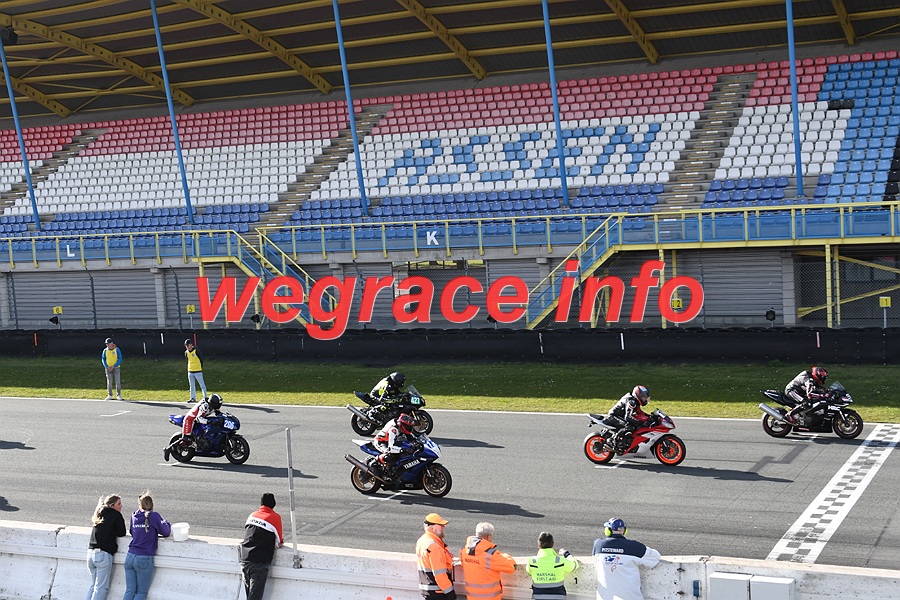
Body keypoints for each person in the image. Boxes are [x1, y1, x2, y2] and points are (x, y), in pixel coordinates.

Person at [592, 518, 661, 600]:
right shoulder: (634, 547)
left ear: (608, 530)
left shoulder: (598, 545)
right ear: (624, 531)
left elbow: (595, 561)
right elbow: (655, 557)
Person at [123, 491, 171, 600]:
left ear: (139, 505)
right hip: (144, 557)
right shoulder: (154, 516)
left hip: (130, 555)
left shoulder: (134, 515)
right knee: (141, 592)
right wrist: (166, 523)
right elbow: (166, 532)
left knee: (130, 590)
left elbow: (132, 531)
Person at [239, 493, 284, 600]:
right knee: (255, 597)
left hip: (245, 558)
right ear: (273, 504)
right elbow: (279, 541)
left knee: (250, 596)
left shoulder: (252, 515)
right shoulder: (274, 517)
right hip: (259, 560)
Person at [459, 522, 517, 600]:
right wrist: (506, 556)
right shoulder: (491, 555)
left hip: (471, 597)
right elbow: (512, 568)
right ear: (489, 537)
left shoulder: (464, 551)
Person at [85, 494, 127, 600]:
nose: (121, 506)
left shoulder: (99, 513)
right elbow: (122, 532)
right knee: (101, 588)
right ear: (112, 506)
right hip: (103, 555)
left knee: (93, 586)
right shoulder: (116, 515)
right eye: (119, 504)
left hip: (90, 553)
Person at [526, 532, 580, 600]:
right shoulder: (560, 561)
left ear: (538, 545)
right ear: (552, 544)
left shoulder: (532, 561)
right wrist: (567, 554)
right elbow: (574, 566)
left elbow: (529, 571)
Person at [415, 513, 456, 600]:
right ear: (432, 528)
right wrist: (450, 592)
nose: (443, 527)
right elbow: (439, 574)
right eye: (440, 525)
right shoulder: (434, 547)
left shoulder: (422, 541)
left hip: (427, 588)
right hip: (438, 592)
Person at [371, 412, 417, 480]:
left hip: (391, 440)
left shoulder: (399, 424)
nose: (410, 428)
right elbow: (391, 448)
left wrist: (417, 441)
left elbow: (409, 436)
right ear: (403, 425)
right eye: (409, 427)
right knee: (389, 455)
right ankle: (374, 464)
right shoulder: (393, 430)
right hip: (381, 442)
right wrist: (403, 450)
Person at [605, 385, 652, 451]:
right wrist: (640, 422)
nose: (645, 400)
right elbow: (628, 417)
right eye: (644, 397)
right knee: (629, 426)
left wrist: (650, 417)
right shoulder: (631, 402)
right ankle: (612, 441)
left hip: (620, 416)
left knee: (634, 425)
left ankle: (627, 442)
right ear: (639, 395)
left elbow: (639, 412)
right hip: (613, 416)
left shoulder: (635, 401)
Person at [184, 339, 208, 403]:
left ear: (191, 345)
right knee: (191, 386)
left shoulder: (196, 351)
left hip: (198, 371)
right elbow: (188, 360)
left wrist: (200, 367)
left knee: (202, 385)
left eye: (188, 345)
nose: (187, 347)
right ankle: (192, 398)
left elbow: (201, 359)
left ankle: (205, 397)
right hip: (190, 371)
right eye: (186, 346)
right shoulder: (186, 352)